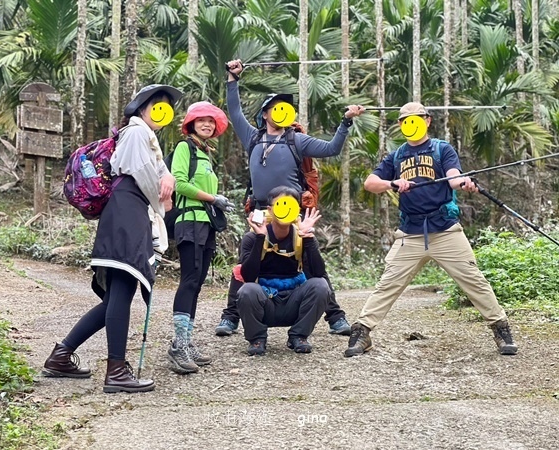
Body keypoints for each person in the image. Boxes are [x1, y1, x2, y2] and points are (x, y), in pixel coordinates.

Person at [345, 101, 518, 357]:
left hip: (445, 230)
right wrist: (393, 183)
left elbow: (453, 176)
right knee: (388, 283)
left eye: (415, 119)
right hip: (410, 232)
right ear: (401, 125)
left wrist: (463, 182)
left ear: (427, 120)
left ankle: (501, 329)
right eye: (405, 120)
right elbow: (371, 182)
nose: (410, 124)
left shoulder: (441, 149)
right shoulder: (396, 155)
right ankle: (362, 332)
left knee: (474, 281)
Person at [42, 84, 183, 392]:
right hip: (127, 212)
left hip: (129, 212)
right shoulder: (135, 133)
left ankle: (61, 355)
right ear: (141, 107)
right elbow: (146, 177)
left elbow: (153, 174)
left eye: (166, 106)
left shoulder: (145, 136)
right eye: (156, 104)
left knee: (116, 296)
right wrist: (164, 197)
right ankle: (116, 371)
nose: (161, 110)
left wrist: (166, 179)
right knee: (123, 286)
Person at [214, 58, 366, 338]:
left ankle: (335, 316)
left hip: (292, 211)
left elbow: (332, 149)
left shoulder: (297, 140)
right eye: (276, 107)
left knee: (308, 256)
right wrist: (233, 79)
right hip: (261, 210)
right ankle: (231, 316)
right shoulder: (252, 137)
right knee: (247, 260)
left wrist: (345, 122)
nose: (281, 111)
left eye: (285, 107)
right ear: (265, 114)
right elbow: (234, 111)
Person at [167, 101, 234, 374]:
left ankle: (186, 341)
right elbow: (178, 182)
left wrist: (215, 203)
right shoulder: (185, 148)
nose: (206, 124)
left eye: (210, 121)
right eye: (201, 120)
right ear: (191, 124)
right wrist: (213, 198)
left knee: (197, 283)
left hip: (205, 224)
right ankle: (178, 345)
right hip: (190, 222)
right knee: (190, 280)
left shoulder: (205, 153)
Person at [236, 186, 330, 355]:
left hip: (293, 301)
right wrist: (260, 238)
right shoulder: (252, 237)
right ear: (270, 209)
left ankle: (298, 336)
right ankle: (257, 338)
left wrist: (308, 239)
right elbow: (247, 277)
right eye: (281, 204)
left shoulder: (301, 237)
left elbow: (318, 274)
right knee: (247, 290)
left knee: (321, 286)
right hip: (265, 302)